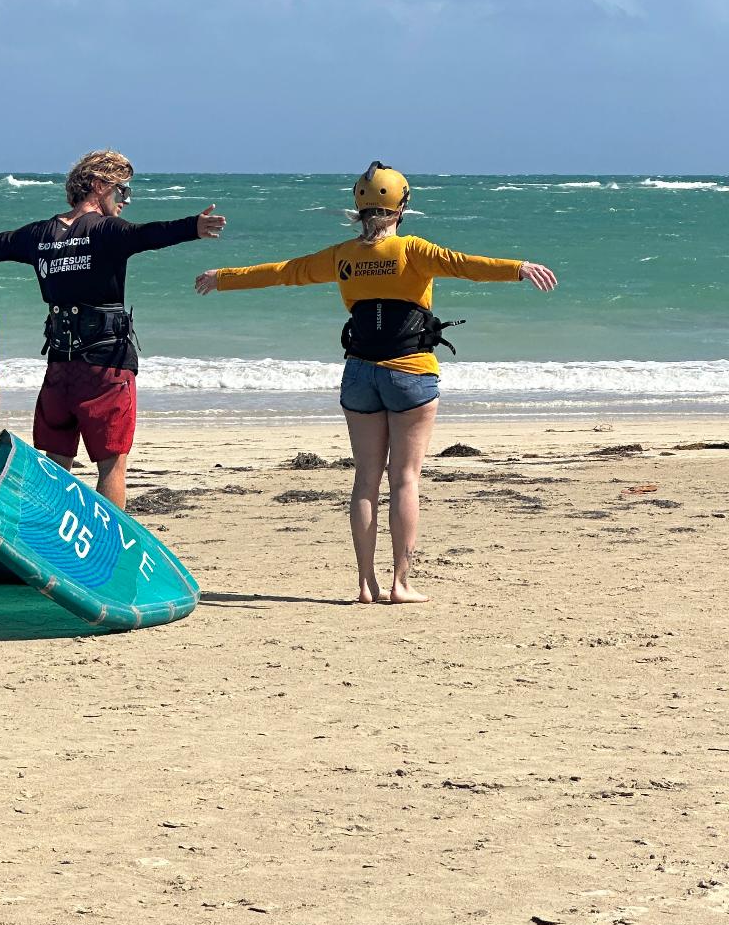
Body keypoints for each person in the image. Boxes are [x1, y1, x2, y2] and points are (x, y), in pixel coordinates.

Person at [195, 161, 557, 605]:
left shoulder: (343, 256)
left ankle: (366, 584)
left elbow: (284, 271)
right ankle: (400, 583)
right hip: (411, 373)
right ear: (402, 206)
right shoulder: (413, 250)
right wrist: (518, 267)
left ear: (359, 206)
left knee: (366, 478)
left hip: (360, 373)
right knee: (405, 478)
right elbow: (466, 265)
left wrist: (222, 277)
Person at [0, 150, 225, 508]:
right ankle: (108, 556)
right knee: (112, 466)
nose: (124, 201)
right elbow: (147, 235)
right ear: (100, 186)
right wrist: (192, 228)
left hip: (59, 369)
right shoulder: (107, 230)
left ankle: (52, 544)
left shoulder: (39, 234)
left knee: (57, 465)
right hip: (107, 368)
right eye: (122, 191)